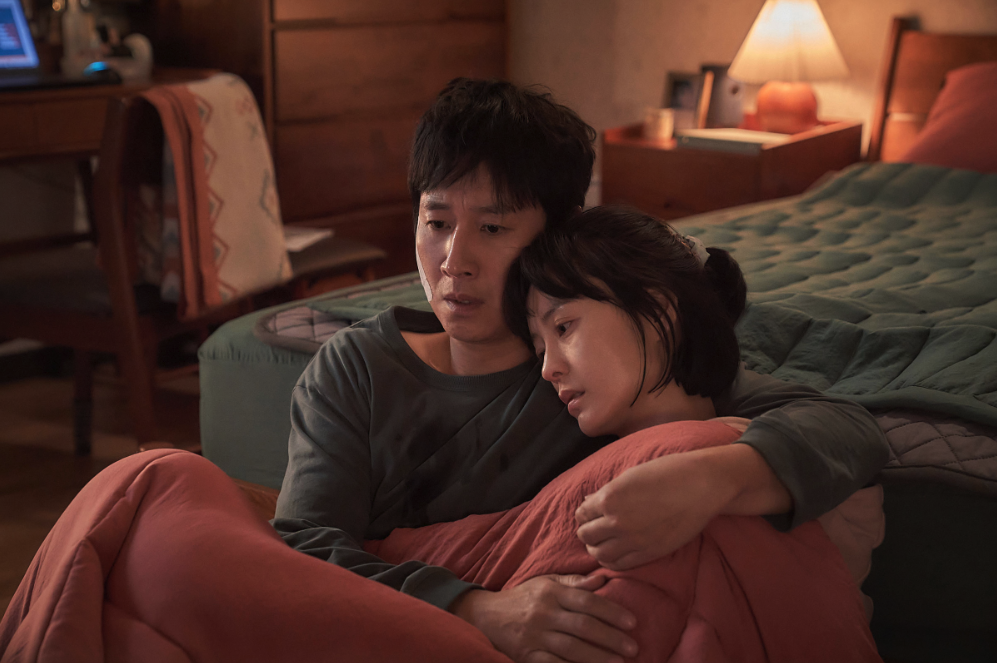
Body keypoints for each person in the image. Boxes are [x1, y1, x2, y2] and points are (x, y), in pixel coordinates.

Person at [271, 78, 889, 663]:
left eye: (492, 227)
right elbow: (303, 552)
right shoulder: (356, 368)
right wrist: (477, 610)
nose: (454, 261)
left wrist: (713, 480)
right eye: (436, 224)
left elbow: (840, 428)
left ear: (554, 232)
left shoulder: (602, 359)